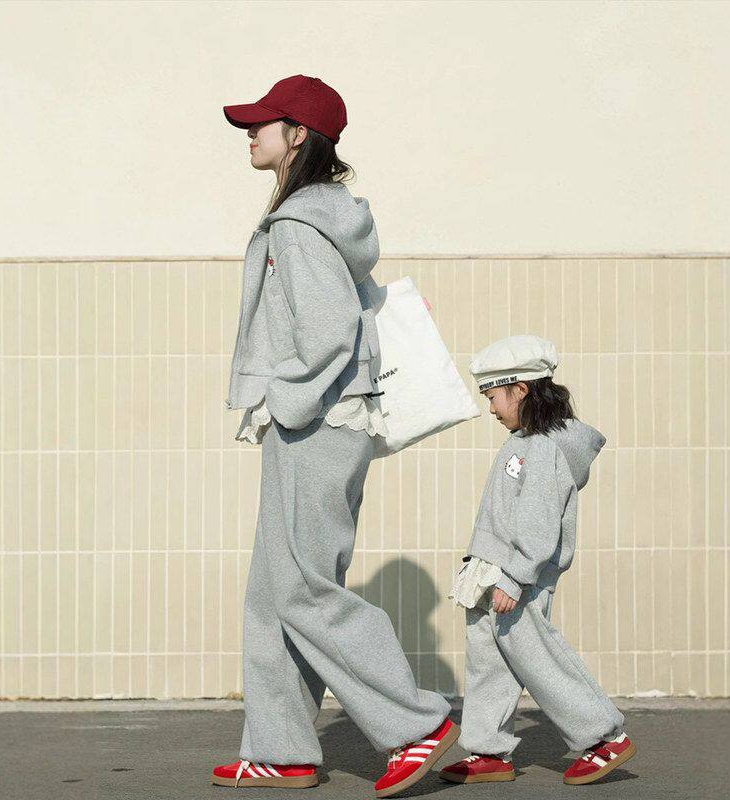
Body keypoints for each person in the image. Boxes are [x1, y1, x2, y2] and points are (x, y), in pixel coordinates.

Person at [210, 74, 459, 797]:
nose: (249, 133)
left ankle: (414, 723)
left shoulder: (298, 224)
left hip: (317, 421)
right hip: (325, 420)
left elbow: (327, 331)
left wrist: (283, 400)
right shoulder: (316, 215)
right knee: (273, 593)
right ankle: (281, 748)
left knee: (303, 587)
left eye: (263, 123)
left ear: (299, 136)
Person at [440, 334, 637, 786]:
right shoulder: (525, 441)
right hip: (492, 571)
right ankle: (488, 751)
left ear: (521, 389)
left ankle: (603, 738)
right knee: (489, 660)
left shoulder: (545, 446)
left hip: (515, 575)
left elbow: (538, 517)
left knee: (538, 656)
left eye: (493, 396)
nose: (491, 408)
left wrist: (514, 575)